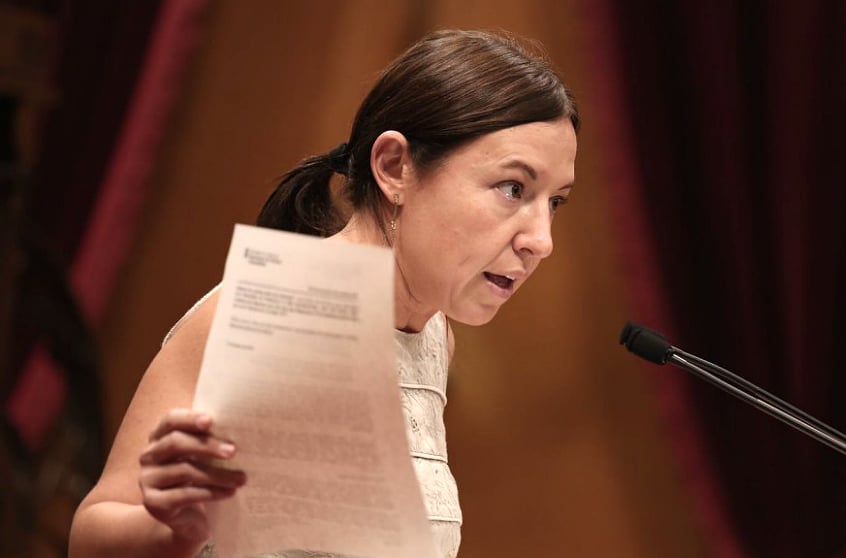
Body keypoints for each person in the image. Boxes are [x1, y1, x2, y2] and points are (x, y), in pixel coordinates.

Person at [68, 29, 579, 558]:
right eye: (513, 189)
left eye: (555, 202)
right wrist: (175, 531)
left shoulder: (433, 338)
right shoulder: (276, 313)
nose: (541, 241)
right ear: (394, 167)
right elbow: (92, 536)